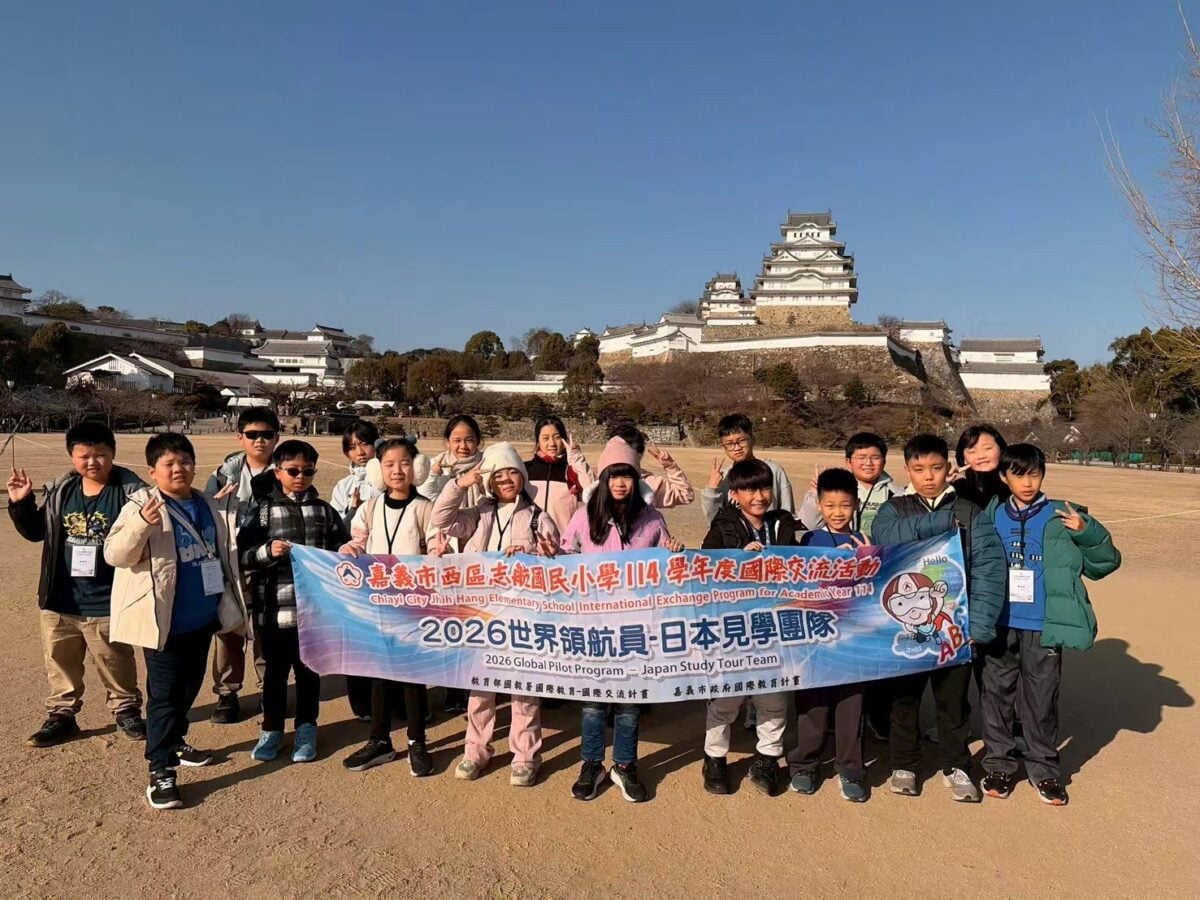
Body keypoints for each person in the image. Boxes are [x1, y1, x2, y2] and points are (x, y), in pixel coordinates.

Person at [104, 433, 245, 810]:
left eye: (185, 461)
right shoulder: (141, 504)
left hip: (202, 618)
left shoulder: (206, 503)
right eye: (169, 464)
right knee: (164, 698)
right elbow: (115, 554)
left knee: (187, 689)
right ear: (152, 471)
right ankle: (161, 769)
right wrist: (140, 524)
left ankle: (176, 743)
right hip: (163, 624)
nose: (178, 469)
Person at [980, 444, 1121, 807]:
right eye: (1018, 475)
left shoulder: (1063, 515)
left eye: (1034, 474)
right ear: (1003, 477)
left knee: (1041, 699)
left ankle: (1043, 769)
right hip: (1000, 621)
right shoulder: (991, 516)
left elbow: (1105, 563)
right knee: (996, 696)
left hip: (1044, 623)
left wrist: (1087, 532)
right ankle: (998, 765)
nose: (1027, 483)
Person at [871, 434, 1006, 803]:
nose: (928, 476)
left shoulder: (970, 511)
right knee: (904, 701)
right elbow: (885, 537)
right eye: (919, 469)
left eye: (935, 468)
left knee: (953, 703)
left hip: (955, 628)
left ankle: (957, 765)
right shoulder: (894, 509)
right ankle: (904, 764)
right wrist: (941, 521)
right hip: (905, 629)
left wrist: (979, 626)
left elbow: (989, 568)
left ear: (949, 469)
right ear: (907, 471)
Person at [560, 438, 685, 803]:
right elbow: (566, 558)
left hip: (636, 628)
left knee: (630, 703)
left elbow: (667, 570)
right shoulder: (585, 517)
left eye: (626, 475)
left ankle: (625, 764)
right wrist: (553, 556)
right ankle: (592, 763)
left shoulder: (652, 519)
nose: (619, 483)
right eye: (613, 475)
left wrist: (674, 552)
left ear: (635, 478)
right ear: (603, 479)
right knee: (593, 703)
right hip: (595, 626)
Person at [7, 422, 147, 748]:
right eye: (84, 456)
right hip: (61, 596)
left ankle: (126, 709)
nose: (92, 462)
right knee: (60, 661)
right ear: (72, 456)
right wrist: (21, 503)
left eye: (101, 455)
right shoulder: (62, 490)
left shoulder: (131, 493)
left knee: (115, 659)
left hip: (108, 596)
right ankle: (62, 714)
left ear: (113, 453)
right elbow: (36, 532)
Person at [430, 441, 559, 787]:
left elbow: (555, 563)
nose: (505, 480)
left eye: (512, 473)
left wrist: (542, 552)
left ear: (522, 477)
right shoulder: (478, 514)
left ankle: (526, 755)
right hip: (482, 614)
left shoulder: (538, 516)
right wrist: (459, 485)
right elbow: (441, 520)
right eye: (498, 475)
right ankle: (475, 750)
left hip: (522, 616)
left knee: (524, 688)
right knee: (480, 688)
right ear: (489, 480)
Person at [238, 440, 350, 764]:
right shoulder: (262, 512)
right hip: (274, 610)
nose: (300, 477)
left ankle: (306, 729)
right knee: (274, 674)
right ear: (278, 472)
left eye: (308, 471)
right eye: (293, 470)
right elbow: (242, 556)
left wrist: (345, 550)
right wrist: (266, 552)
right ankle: (271, 730)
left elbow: (338, 547)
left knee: (309, 674)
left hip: (314, 612)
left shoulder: (324, 511)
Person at [699, 459, 797, 797]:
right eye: (749, 489)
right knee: (726, 700)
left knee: (774, 699)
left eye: (764, 488)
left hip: (775, 628)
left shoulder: (783, 524)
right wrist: (737, 560)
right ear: (735, 494)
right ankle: (714, 758)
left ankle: (768, 757)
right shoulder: (722, 528)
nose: (759, 496)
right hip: (734, 630)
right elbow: (704, 573)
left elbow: (806, 564)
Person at [338, 438, 436, 777]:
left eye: (405, 462)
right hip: (378, 603)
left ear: (417, 467)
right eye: (389, 464)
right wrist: (350, 548)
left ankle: (417, 742)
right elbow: (358, 539)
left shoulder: (424, 507)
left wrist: (436, 555)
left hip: (413, 606)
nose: (398, 470)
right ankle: (380, 740)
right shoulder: (370, 507)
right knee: (379, 676)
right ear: (377, 469)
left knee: (412, 677)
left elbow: (437, 545)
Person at [788, 468, 870, 802]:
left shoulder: (864, 540)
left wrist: (868, 559)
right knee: (813, 706)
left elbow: (873, 589)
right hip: (815, 640)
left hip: (852, 641)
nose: (838, 512)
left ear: (856, 505)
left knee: (851, 708)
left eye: (845, 505)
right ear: (819, 505)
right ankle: (805, 764)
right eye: (830, 505)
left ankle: (850, 768)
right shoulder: (808, 541)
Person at [203, 406, 280, 725]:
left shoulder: (286, 471)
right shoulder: (223, 475)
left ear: (277, 438)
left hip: (272, 563)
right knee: (229, 628)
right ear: (240, 437)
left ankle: (269, 689)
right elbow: (205, 518)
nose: (259, 440)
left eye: (267, 434)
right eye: (252, 434)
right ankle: (227, 692)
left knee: (268, 630)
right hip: (232, 563)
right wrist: (215, 505)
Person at [419, 414, 485, 714]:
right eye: (457, 440)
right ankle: (454, 690)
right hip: (446, 551)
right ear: (447, 442)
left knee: (478, 624)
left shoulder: (490, 465)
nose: (463, 445)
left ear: (478, 441)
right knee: (451, 625)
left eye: (469, 439)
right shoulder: (436, 470)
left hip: (479, 552)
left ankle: (478, 687)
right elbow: (429, 506)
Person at [329, 419, 382, 722]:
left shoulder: (388, 478)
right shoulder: (343, 486)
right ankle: (361, 703)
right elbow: (338, 531)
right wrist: (353, 510)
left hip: (386, 571)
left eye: (364, 443)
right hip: (356, 575)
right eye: (352, 447)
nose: (360, 451)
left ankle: (394, 698)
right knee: (357, 637)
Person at [575, 422, 695, 510]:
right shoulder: (649, 483)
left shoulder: (649, 483)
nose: (620, 483)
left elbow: (685, 495)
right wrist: (671, 467)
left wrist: (671, 467)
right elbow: (685, 495)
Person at [798, 432, 899, 534]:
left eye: (875, 458)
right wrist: (817, 494)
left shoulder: (896, 494)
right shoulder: (834, 488)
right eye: (861, 458)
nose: (868, 463)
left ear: (884, 462)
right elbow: (809, 525)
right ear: (848, 461)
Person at [702, 413, 794, 524]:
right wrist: (712, 490)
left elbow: (787, 511)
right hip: (734, 535)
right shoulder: (723, 477)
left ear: (752, 439)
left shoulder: (773, 470)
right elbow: (714, 521)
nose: (737, 448)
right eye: (730, 444)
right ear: (723, 446)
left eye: (742, 440)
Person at [524, 415, 587, 535]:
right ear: (538, 441)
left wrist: (577, 460)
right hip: (531, 542)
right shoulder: (526, 470)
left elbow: (593, 493)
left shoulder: (573, 470)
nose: (552, 443)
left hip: (565, 542)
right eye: (545, 438)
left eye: (557, 437)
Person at [953, 424, 1011, 509]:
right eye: (972, 451)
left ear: (1001, 450)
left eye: (988, 448)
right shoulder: (955, 491)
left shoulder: (1014, 487)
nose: (981, 456)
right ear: (964, 459)